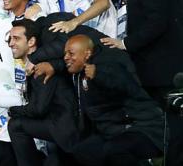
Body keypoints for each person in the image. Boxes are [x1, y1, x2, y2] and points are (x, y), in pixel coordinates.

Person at [64, 35, 164, 166]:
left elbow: (124, 84)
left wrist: (98, 75)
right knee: (80, 151)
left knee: (114, 150)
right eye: (65, 54)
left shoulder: (107, 62)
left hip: (142, 127)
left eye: (71, 53)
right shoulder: (79, 74)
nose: (66, 57)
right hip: (112, 131)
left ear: (87, 53)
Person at [7, 19, 78, 166]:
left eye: (16, 38)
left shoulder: (42, 66)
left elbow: (38, 109)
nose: (11, 43)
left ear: (31, 41)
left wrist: (13, 111)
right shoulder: (37, 64)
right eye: (10, 39)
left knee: (15, 125)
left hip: (65, 128)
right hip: (55, 127)